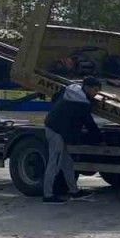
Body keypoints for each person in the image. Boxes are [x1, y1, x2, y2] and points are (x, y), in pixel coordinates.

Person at [42, 75, 103, 203]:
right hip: (56, 131)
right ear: (87, 88)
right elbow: (89, 123)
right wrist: (99, 138)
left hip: (55, 127)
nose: (96, 94)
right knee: (54, 163)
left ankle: (74, 191)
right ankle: (48, 195)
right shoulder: (82, 103)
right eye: (95, 90)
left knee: (67, 163)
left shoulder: (71, 88)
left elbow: (55, 98)